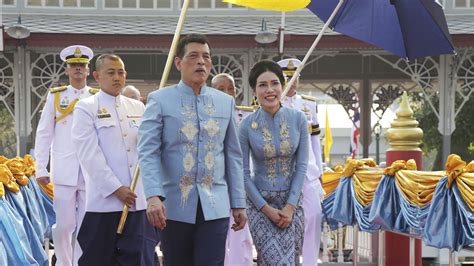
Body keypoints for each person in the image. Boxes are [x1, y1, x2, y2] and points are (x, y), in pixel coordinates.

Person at [138, 34, 247, 266]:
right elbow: (148, 152)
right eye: (194, 56)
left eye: (206, 57)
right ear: (178, 63)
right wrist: (153, 196)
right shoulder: (159, 100)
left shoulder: (225, 102)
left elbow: (233, 156)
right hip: (174, 206)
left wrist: (238, 202)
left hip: (215, 205)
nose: (201, 62)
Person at [71, 54, 153, 265]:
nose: (117, 77)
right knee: (98, 259)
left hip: (137, 201)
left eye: (121, 72)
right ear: (97, 76)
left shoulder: (138, 108)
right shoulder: (86, 107)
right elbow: (89, 155)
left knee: (139, 259)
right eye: (111, 72)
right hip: (104, 203)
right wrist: (116, 188)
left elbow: (147, 150)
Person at [239, 59, 309, 265]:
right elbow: (242, 172)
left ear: (282, 85)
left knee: (291, 261)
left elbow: (302, 166)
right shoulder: (245, 126)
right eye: (262, 85)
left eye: (274, 83)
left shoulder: (299, 120)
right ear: (254, 91)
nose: (269, 90)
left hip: (293, 204)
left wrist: (290, 207)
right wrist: (266, 209)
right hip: (260, 206)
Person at [34, 45, 97, 266]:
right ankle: (63, 262)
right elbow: (44, 133)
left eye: (82, 65)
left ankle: (82, 262)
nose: (78, 69)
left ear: (88, 70)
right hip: (64, 169)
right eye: (74, 66)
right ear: (67, 70)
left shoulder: (96, 97)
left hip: (90, 170)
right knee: (63, 224)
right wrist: (40, 167)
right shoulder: (56, 96)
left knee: (86, 223)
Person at [278, 58, 325, 266]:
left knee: (313, 217)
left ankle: (309, 262)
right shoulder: (271, 102)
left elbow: (316, 142)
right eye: (288, 77)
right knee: (282, 221)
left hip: (308, 171)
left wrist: (320, 174)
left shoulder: (308, 104)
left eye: (296, 76)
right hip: (282, 172)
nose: (293, 81)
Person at [212, 73, 254, 266]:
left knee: (242, 238)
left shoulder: (247, 117)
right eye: (221, 89)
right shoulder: (206, 117)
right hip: (215, 185)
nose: (228, 93)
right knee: (217, 239)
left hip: (242, 185)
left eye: (231, 89)